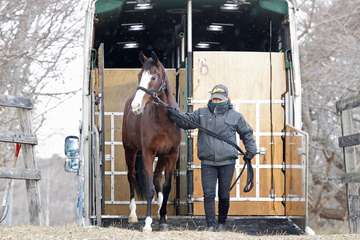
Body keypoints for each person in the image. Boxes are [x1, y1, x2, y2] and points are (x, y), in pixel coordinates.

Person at [168, 84, 257, 231]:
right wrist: (173, 113)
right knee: (208, 194)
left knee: (223, 194)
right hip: (208, 162)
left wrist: (251, 150)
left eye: (219, 98)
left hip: (227, 162)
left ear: (226, 98)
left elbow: (246, 133)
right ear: (211, 98)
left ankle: (221, 223)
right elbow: (185, 122)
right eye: (214, 98)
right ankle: (210, 225)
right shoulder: (201, 113)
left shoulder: (235, 116)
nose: (216, 101)